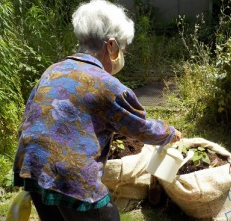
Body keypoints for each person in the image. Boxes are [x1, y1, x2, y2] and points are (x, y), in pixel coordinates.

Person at [12, 0, 182, 220]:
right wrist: (170, 133)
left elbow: (30, 115)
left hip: (32, 166)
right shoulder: (108, 85)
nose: (122, 54)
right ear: (110, 46)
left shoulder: (53, 70)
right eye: (122, 48)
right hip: (71, 176)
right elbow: (141, 128)